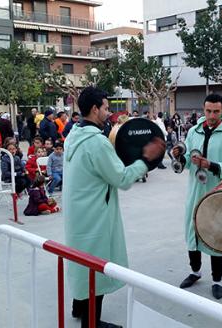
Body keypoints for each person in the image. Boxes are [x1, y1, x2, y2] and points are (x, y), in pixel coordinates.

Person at [63, 87, 165, 328]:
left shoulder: (73, 135)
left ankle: (78, 309)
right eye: (106, 108)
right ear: (94, 108)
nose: (109, 113)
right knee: (95, 268)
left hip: (79, 213)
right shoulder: (96, 142)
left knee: (81, 261)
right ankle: (92, 323)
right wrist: (145, 159)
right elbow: (122, 179)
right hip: (95, 215)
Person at [172, 94, 222, 300]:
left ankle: (217, 280)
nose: (211, 116)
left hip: (217, 194)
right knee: (193, 230)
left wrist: (209, 165)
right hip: (195, 191)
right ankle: (195, 271)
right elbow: (188, 162)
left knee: (215, 235)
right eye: (208, 111)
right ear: (203, 110)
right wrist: (179, 157)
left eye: (216, 111)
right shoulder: (194, 131)